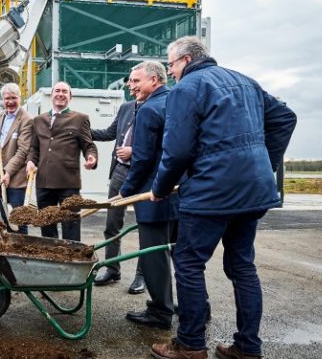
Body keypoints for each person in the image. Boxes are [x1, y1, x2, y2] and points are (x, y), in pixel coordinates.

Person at [148, 37, 297, 359]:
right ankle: (247, 347)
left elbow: (177, 151)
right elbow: (286, 118)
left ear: (185, 60)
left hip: (212, 191)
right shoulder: (246, 81)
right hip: (253, 190)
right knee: (242, 267)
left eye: (171, 65)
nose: (171, 71)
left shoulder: (187, 88)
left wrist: (160, 189)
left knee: (188, 264)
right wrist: (262, 163)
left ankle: (189, 344)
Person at [116, 61, 178, 330]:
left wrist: (126, 191)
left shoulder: (150, 109)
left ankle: (160, 312)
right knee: (182, 257)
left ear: (155, 80)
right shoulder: (176, 102)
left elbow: (141, 159)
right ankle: (195, 308)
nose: (131, 87)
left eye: (136, 81)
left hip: (154, 195)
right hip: (180, 193)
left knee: (154, 256)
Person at [91, 78, 145, 293]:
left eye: (136, 81)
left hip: (145, 174)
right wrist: (80, 129)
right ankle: (112, 268)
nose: (131, 85)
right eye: (130, 81)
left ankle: (143, 275)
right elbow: (108, 133)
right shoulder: (126, 108)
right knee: (112, 224)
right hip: (121, 172)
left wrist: (135, 151)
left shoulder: (161, 106)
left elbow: (163, 142)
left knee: (145, 227)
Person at [26, 81, 98, 241]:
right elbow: (34, 148)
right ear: (51, 96)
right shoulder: (38, 120)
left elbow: (88, 145)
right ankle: (52, 260)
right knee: (47, 226)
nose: (60, 94)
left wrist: (91, 157)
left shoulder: (80, 119)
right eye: (57, 91)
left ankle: (72, 260)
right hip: (43, 183)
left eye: (65, 91)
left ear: (70, 97)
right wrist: (31, 161)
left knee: (71, 225)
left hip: (68, 183)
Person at [0, 83, 33, 233]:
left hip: (16, 177)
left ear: (20, 98)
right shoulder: (0, 115)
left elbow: (23, 151)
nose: (10, 102)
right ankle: (11, 250)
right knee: (6, 217)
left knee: (18, 220)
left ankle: (22, 252)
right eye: (7, 98)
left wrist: (8, 172)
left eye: (14, 98)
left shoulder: (26, 120)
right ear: (3, 100)